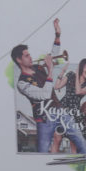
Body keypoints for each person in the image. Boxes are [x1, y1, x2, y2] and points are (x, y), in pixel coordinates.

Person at [12, 18, 63, 153]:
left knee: (58, 141)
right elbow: (44, 94)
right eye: (27, 55)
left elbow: (54, 56)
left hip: (55, 111)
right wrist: (50, 70)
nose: (31, 57)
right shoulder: (22, 83)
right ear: (19, 60)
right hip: (43, 118)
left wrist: (57, 35)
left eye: (29, 54)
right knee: (43, 151)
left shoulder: (37, 67)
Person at [52, 55, 86, 154]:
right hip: (62, 108)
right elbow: (57, 86)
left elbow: (78, 92)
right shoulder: (70, 74)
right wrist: (62, 72)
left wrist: (77, 75)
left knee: (73, 143)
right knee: (57, 139)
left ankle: (72, 164)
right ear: (82, 67)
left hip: (74, 112)